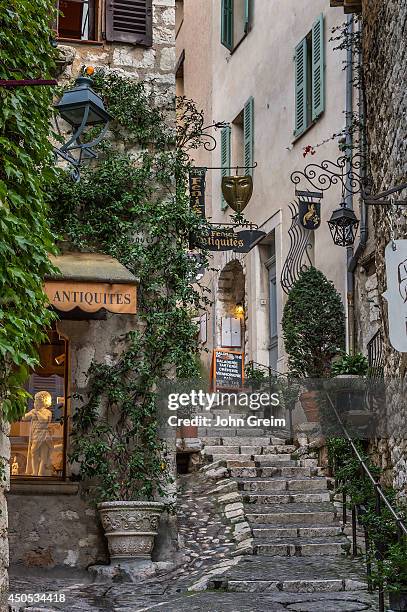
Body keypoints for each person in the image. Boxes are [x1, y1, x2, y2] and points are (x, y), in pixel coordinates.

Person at [22, 391, 53, 476]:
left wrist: (36, 412)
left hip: (44, 435)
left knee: (43, 455)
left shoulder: (47, 412)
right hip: (35, 435)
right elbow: (24, 418)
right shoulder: (34, 411)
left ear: (43, 402)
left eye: (37, 400)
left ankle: (40, 473)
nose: (35, 402)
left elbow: (44, 420)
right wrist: (30, 413)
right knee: (33, 453)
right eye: (35, 400)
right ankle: (35, 472)